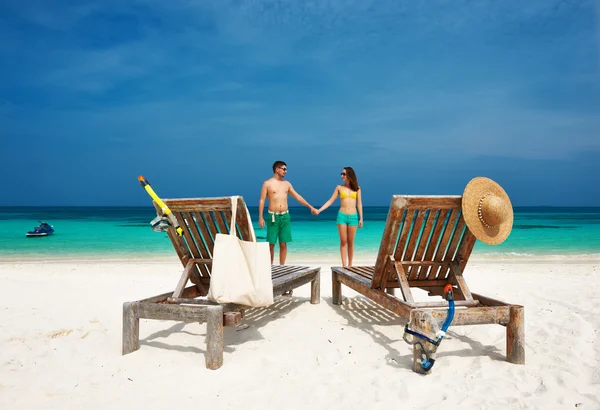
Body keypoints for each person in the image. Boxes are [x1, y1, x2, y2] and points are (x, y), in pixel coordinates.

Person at [258, 160, 318, 267]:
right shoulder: (267, 184)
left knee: (283, 244)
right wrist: (260, 217)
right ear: (277, 169)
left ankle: (282, 267)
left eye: (286, 169)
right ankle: (269, 268)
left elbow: (297, 196)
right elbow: (262, 200)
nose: (286, 171)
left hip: (285, 216)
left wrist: (310, 207)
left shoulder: (287, 184)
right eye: (284, 169)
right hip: (273, 216)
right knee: (271, 244)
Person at [316, 167, 363, 267]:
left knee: (351, 242)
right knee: (343, 241)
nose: (342, 176)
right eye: (341, 174)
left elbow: (359, 204)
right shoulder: (339, 188)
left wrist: (361, 218)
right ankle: (344, 265)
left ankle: (350, 265)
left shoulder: (357, 189)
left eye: (344, 174)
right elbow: (330, 201)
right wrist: (319, 210)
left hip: (353, 217)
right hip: (341, 216)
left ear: (349, 175)